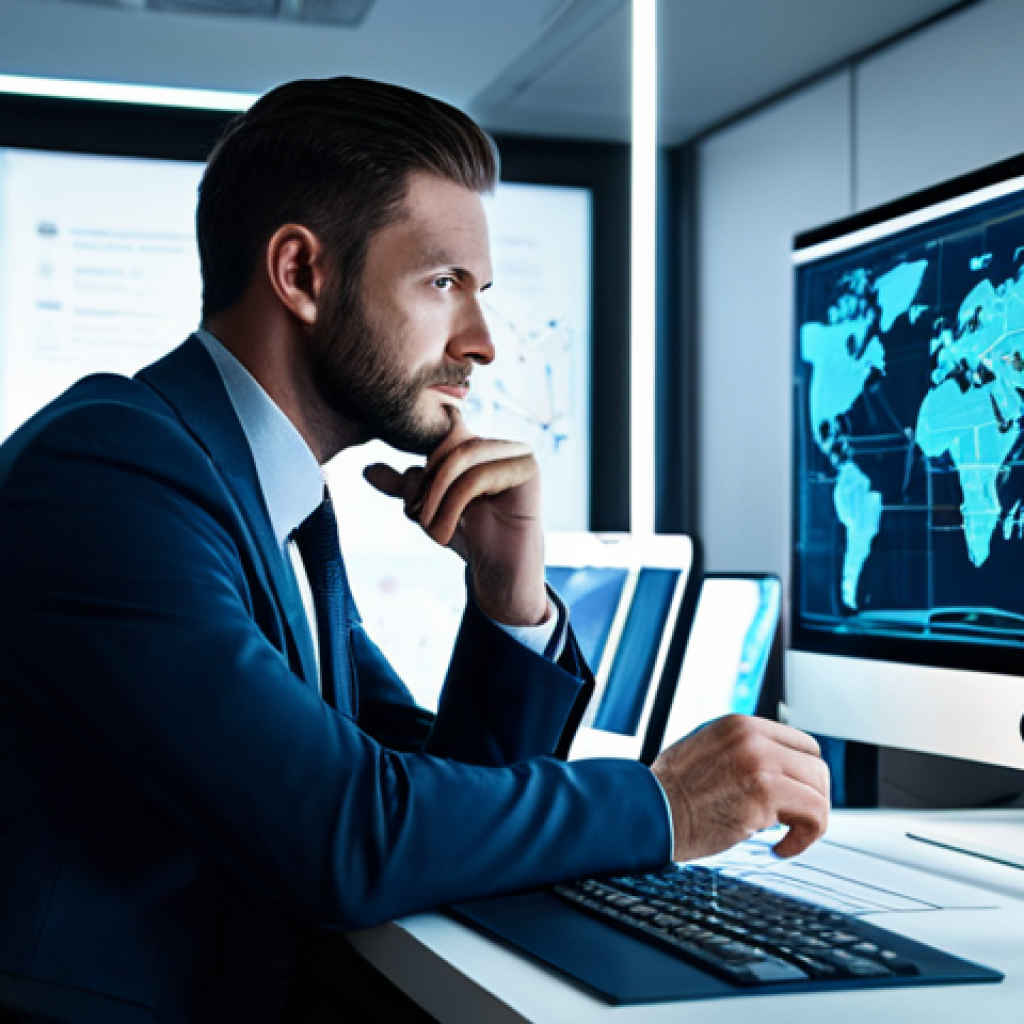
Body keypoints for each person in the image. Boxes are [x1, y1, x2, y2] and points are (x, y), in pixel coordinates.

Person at [0, 77, 830, 1024]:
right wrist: (667, 805)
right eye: (444, 284)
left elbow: (422, 783)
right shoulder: (112, 471)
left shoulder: (277, 502)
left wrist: (508, 596)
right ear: (302, 274)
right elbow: (343, 832)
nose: (480, 342)